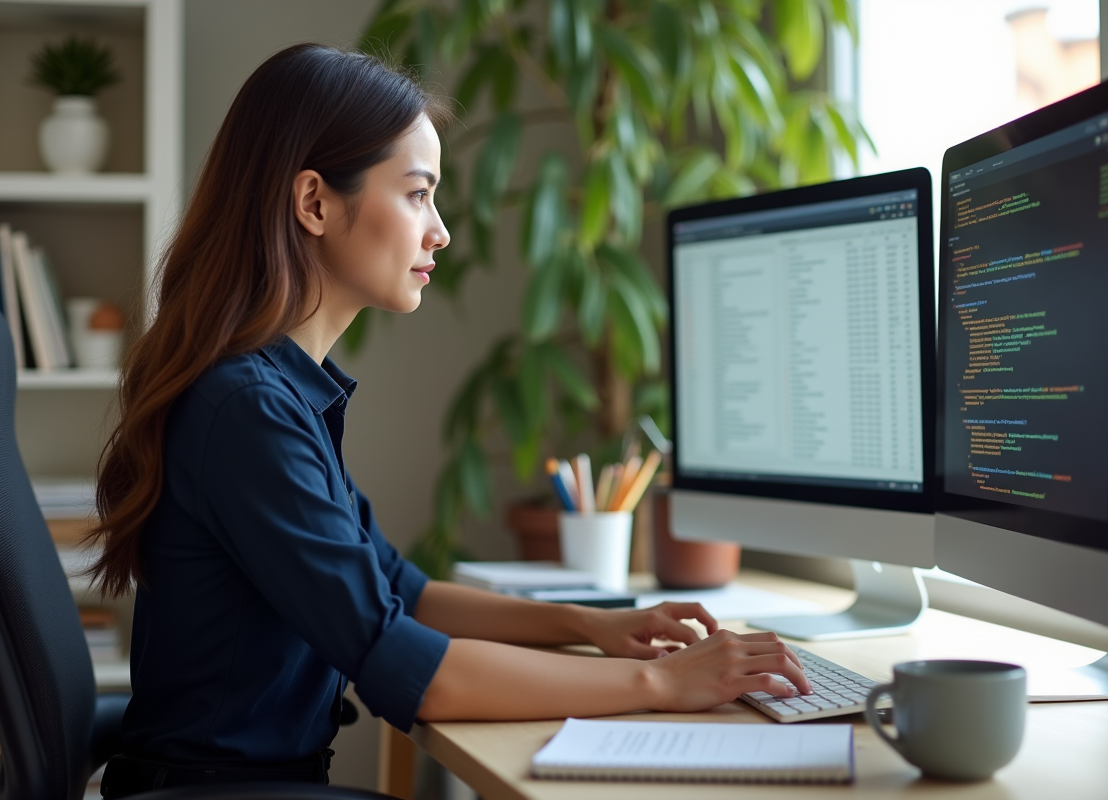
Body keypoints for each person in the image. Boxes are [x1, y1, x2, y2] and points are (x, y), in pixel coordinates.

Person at [88, 44, 811, 796]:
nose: (440, 232)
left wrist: (591, 628)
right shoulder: (248, 411)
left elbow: (405, 590)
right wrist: (661, 686)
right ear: (314, 204)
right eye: (417, 195)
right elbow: (409, 668)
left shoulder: (278, 394)